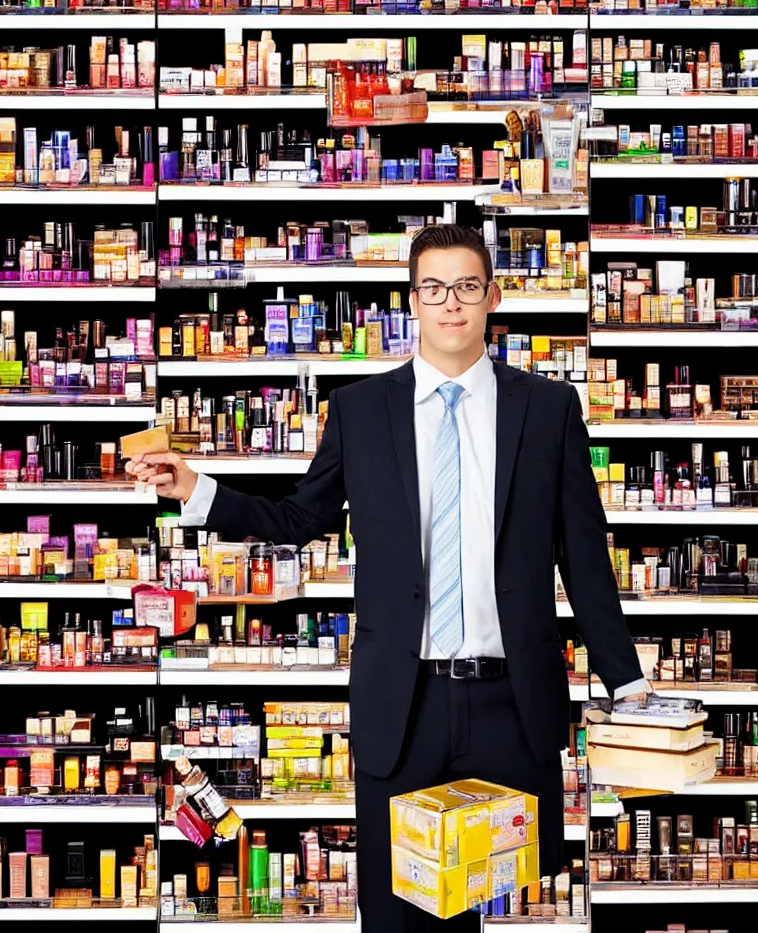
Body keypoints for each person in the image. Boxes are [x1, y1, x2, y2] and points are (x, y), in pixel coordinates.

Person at [128, 224, 649, 932]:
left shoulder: (548, 409)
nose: (451, 305)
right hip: (402, 710)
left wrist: (630, 684)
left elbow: (584, 556)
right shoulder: (360, 410)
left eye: (467, 287)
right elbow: (297, 520)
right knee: (397, 915)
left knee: (502, 908)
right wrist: (198, 488)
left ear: (493, 296)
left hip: (510, 708)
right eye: (433, 289)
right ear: (413, 301)